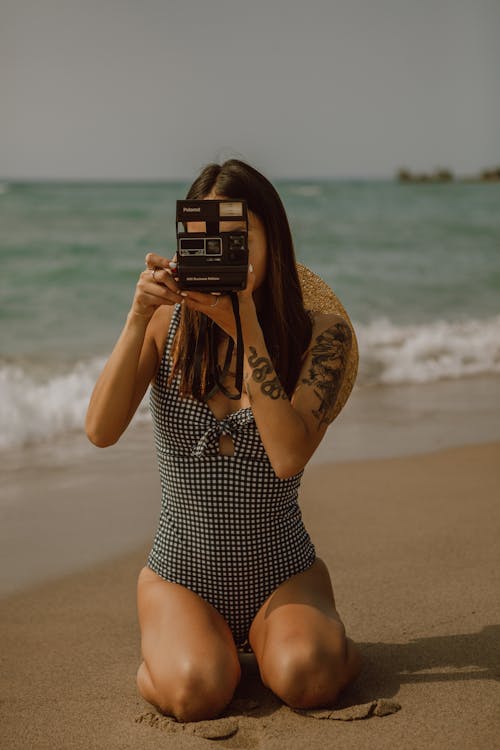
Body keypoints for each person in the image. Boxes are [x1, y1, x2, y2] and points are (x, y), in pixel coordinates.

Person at [85, 159, 362, 723]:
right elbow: (101, 430)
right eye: (206, 236)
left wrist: (247, 328)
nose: (224, 250)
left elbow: (287, 457)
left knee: (307, 679)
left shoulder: (319, 335)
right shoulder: (168, 327)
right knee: (196, 693)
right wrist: (138, 315)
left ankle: (290, 640)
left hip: (280, 570)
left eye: (239, 236)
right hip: (181, 573)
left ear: (272, 240)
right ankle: (180, 651)